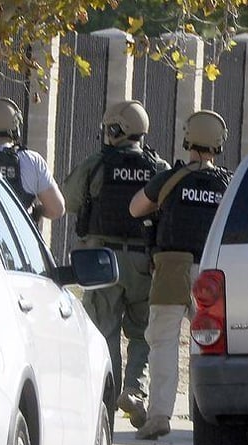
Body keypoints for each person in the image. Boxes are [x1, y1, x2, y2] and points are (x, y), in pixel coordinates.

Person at [63, 99, 170, 428]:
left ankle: (105, 403)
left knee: (104, 333)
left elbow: (69, 200)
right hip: (143, 262)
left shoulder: (96, 164)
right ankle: (134, 391)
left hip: (102, 262)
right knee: (141, 335)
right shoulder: (158, 168)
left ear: (115, 130)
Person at [128, 109, 233, 439]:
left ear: (187, 137)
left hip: (170, 266)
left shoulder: (170, 179)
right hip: (212, 272)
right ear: (219, 143)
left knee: (163, 343)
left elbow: (135, 208)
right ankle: (206, 416)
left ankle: (159, 415)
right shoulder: (227, 184)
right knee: (209, 344)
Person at [0, 97, 66, 221]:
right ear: (15, 126)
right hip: (19, 238)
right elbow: (56, 209)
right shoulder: (32, 161)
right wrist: (37, 211)